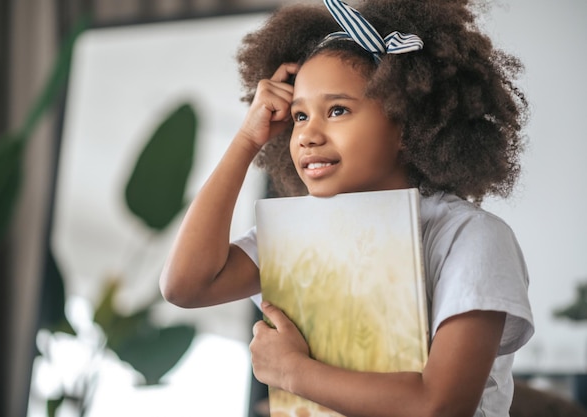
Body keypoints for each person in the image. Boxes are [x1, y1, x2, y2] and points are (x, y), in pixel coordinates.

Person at [159, 0, 534, 416]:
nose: (307, 135)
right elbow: (186, 286)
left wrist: (291, 371)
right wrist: (248, 139)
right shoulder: (296, 235)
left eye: (337, 110)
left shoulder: (471, 238)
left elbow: (438, 406)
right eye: (299, 116)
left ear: (406, 123)